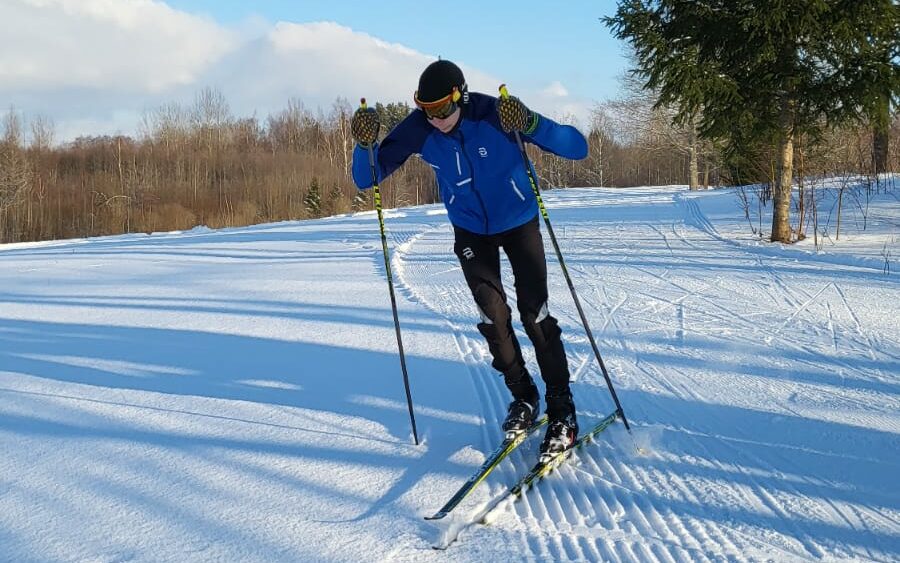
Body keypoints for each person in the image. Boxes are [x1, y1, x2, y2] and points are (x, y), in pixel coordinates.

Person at [349, 59, 588, 459]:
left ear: (460, 95)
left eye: (443, 108)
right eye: (427, 110)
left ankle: (562, 409)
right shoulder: (421, 127)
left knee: (536, 314)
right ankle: (524, 397)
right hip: (470, 228)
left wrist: (530, 123)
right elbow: (367, 177)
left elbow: (576, 147)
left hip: (519, 220)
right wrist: (363, 144)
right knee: (492, 316)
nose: (436, 119)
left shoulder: (497, 114)